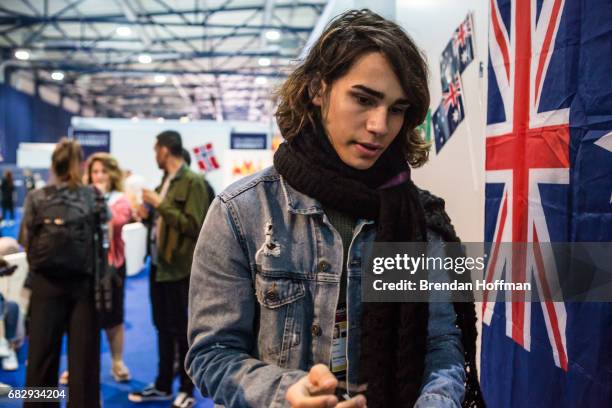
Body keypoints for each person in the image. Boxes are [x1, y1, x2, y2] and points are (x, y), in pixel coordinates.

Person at [186, 9, 484, 408]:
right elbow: (211, 354)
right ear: (317, 88)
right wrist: (287, 393)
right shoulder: (242, 212)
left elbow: (442, 347)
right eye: (364, 99)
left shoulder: (416, 219)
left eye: (397, 109)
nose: (380, 125)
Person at [128, 131, 209, 408]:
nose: (154, 156)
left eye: (155, 150)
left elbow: (195, 226)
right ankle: (163, 384)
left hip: (180, 270)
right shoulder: (165, 181)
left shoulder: (193, 182)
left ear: (164, 150)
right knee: (161, 327)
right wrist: (148, 216)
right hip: (158, 267)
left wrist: (159, 205)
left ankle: (187, 388)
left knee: (182, 330)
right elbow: (163, 224)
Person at [20, 138, 102, 407]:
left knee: (41, 360)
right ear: (80, 164)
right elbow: (103, 241)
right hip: (84, 287)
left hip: (45, 285)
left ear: (53, 164)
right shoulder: (94, 196)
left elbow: (25, 239)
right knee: (83, 363)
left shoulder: (37, 197)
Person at [58, 153, 133, 385]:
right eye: (94, 172)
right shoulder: (80, 197)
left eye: (103, 171)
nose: (98, 176)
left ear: (112, 174)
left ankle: (117, 361)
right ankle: (75, 365)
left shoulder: (121, 199)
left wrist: (98, 199)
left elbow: (117, 222)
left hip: (112, 268)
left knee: (113, 318)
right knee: (80, 318)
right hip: (84, 267)